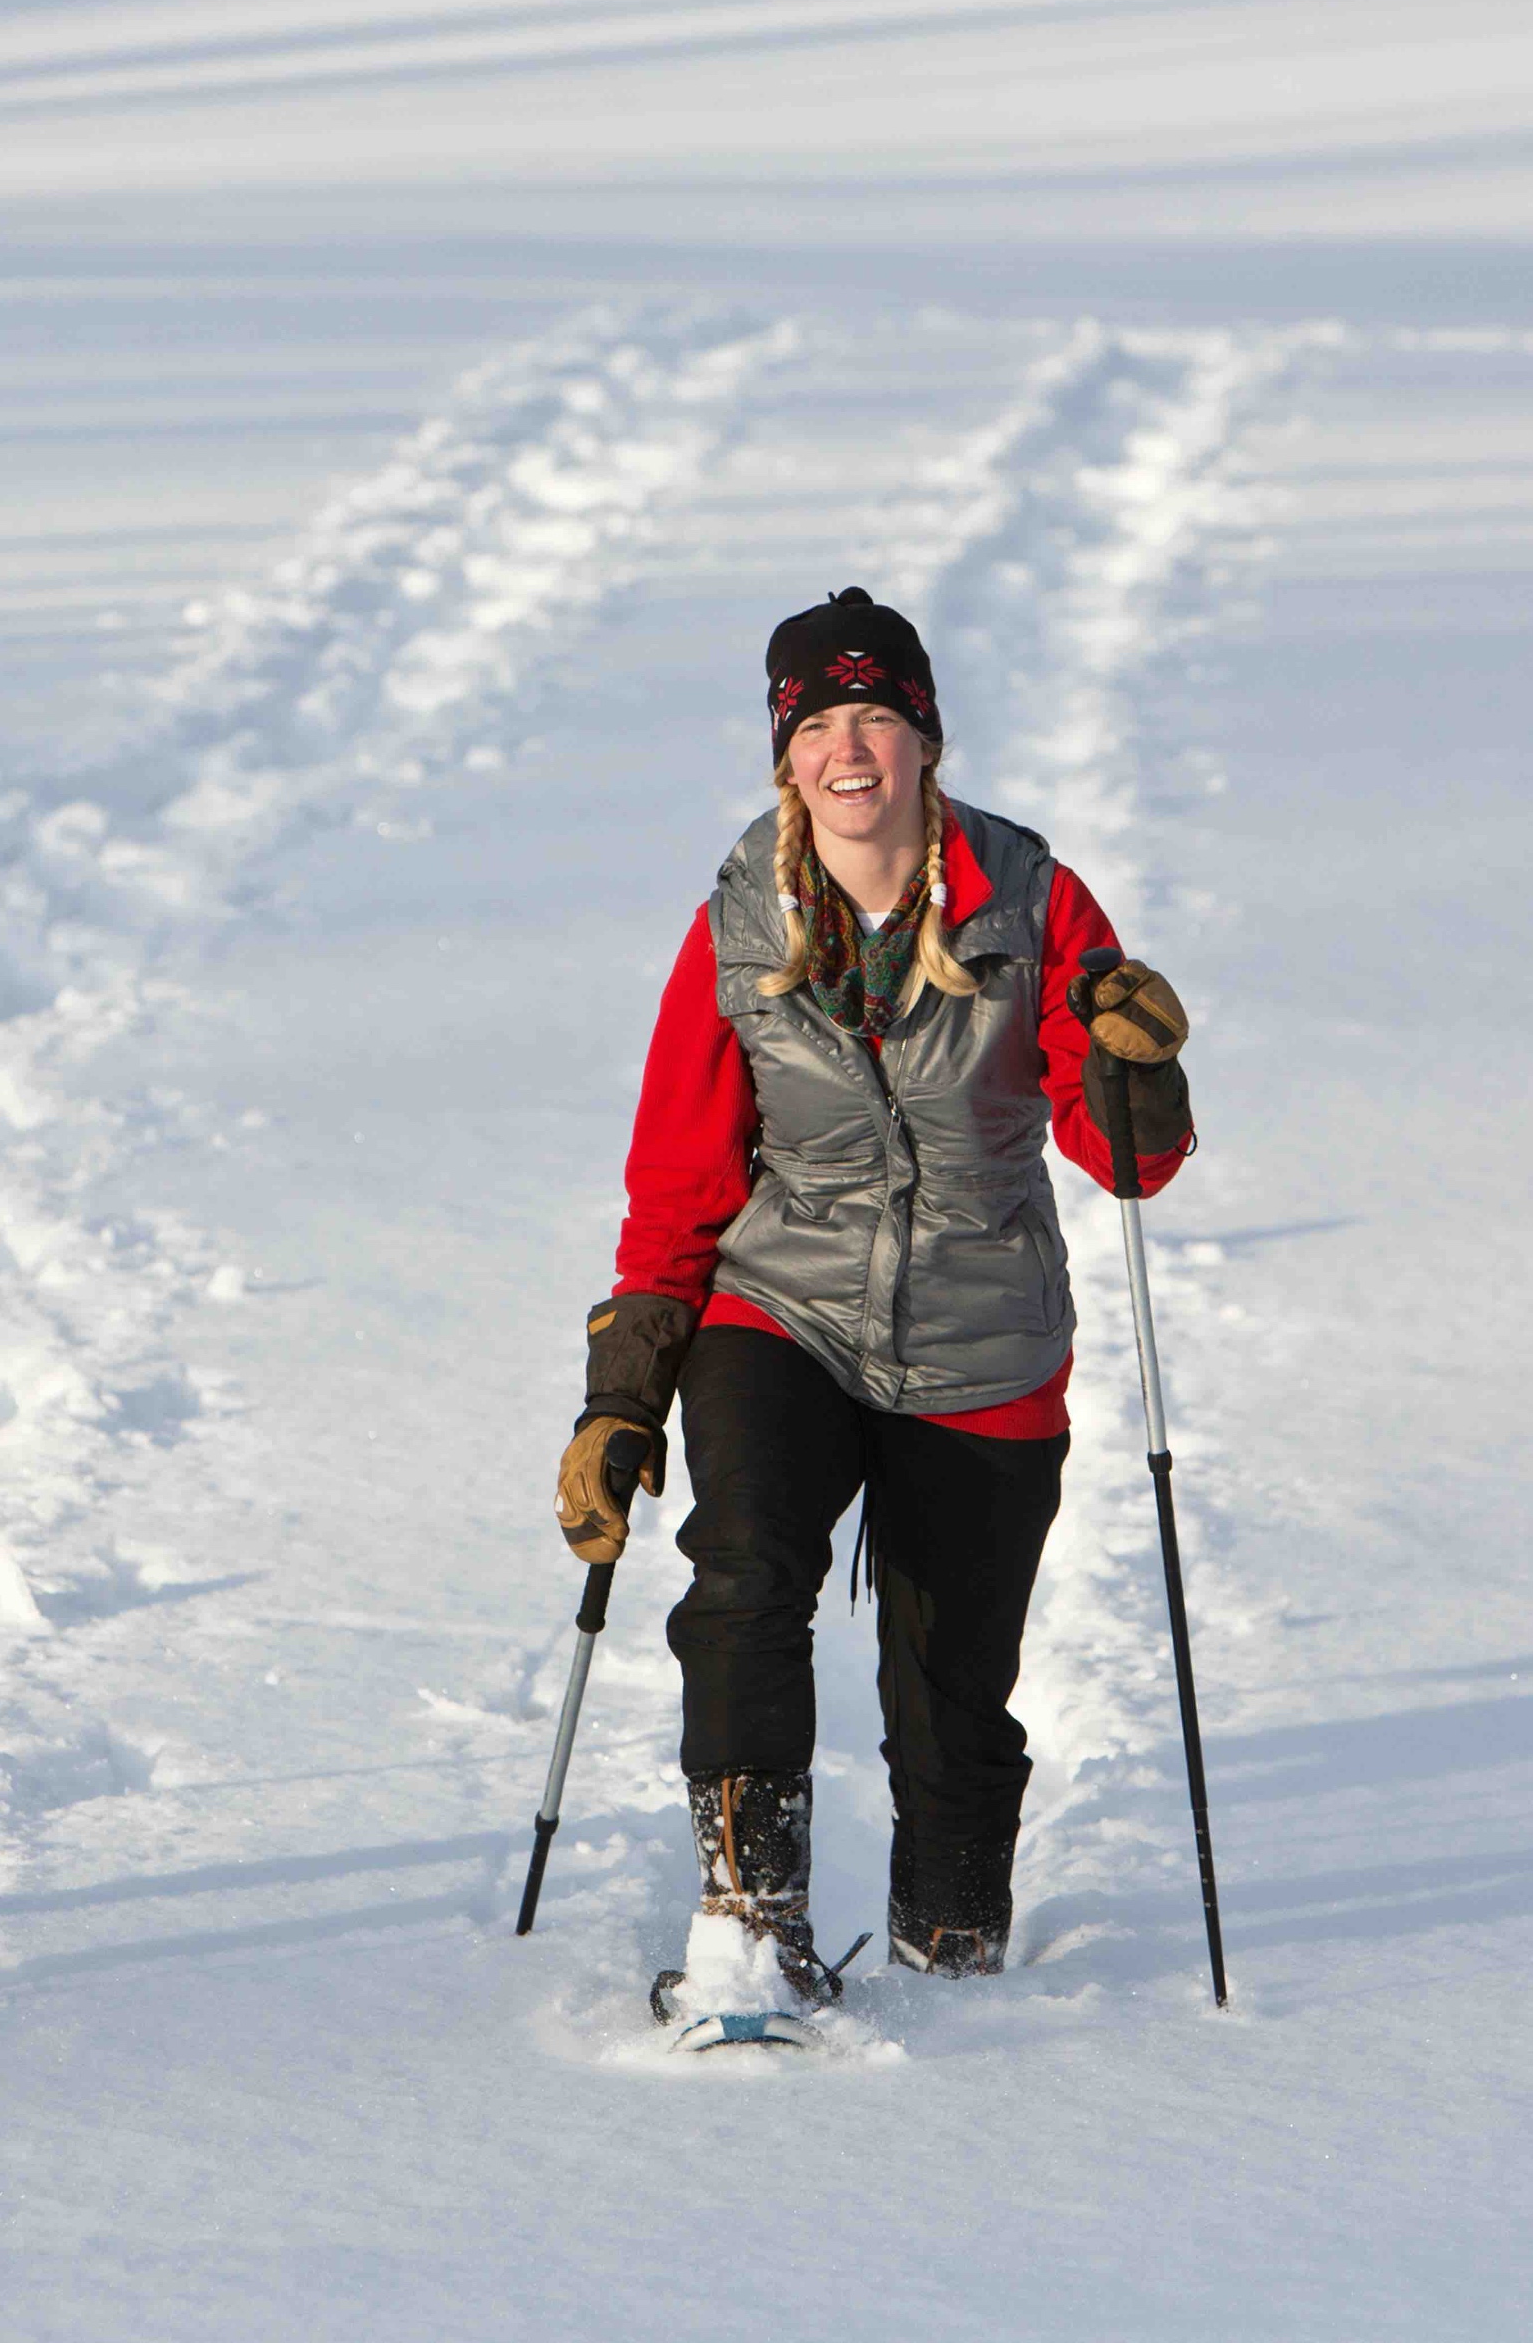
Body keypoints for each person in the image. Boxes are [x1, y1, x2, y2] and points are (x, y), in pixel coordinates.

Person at [553, 585, 1193, 2003]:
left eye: (880, 721)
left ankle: (954, 1958)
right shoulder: (738, 922)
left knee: (953, 1707)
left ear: (928, 742)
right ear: (785, 756)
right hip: (784, 1309)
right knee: (743, 1580)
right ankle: (747, 1925)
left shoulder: (1032, 901)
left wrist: (1132, 1063)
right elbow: (678, 1186)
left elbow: (1129, 1161)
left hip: (984, 1342)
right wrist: (623, 1395)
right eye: (820, 724)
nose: (852, 752)